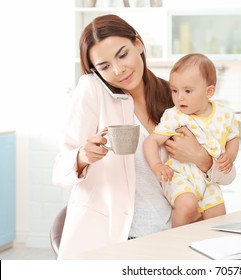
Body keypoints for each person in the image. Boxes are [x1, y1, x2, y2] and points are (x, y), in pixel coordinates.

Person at [52, 15, 221, 260]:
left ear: (138, 44)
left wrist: (201, 158)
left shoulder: (173, 95)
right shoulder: (92, 91)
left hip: (171, 234)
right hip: (115, 239)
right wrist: (82, 156)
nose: (118, 70)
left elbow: (226, 173)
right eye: (104, 66)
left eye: (122, 55)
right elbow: (60, 169)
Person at [144, 53, 240, 227]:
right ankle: (176, 243)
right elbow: (152, 141)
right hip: (180, 175)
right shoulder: (175, 116)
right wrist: (157, 165)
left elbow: (233, 137)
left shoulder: (225, 114)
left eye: (187, 91)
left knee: (218, 215)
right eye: (174, 90)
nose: (179, 97)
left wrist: (230, 157)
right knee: (187, 205)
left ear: (208, 91)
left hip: (208, 180)